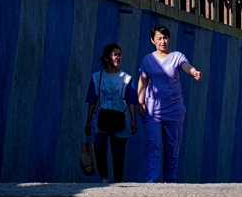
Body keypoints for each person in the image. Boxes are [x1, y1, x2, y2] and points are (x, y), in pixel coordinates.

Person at [138, 24, 202, 183]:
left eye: (165, 38)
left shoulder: (177, 56)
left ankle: (169, 182)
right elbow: (143, 81)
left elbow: (185, 66)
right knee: (153, 145)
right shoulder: (148, 59)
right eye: (159, 38)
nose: (163, 41)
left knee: (172, 149)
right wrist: (140, 101)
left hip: (174, 110)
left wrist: (193, 72)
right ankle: (151, 181)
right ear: (153, 40)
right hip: (152, 111)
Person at [84, 43, 138, 183]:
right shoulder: (97, 77)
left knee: (118, 154)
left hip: (120, 118)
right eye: (115, 54)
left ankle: (118, 182)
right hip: (101, 119)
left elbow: (131, 100)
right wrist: (88, 121)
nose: (118, 57)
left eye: (120, 54)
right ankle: (104, 179)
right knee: (100, 148)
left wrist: (133, 120)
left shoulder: (126, 78)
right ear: (107, 58)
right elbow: (92, 100)